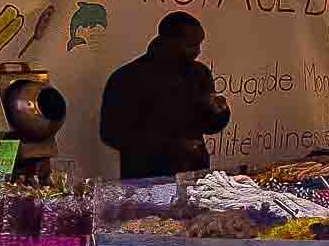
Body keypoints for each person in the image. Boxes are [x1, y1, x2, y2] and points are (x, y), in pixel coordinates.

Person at [99, 11, 231, 179]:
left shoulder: (200, 74)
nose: (198, 51)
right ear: (168, 41)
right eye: (190, 45)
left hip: (194, 176)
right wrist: (173, 147)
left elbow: (209, 126)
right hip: (146, 182)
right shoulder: (128, 77)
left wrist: (219, 112)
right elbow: (113, 134)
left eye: (199, 44)